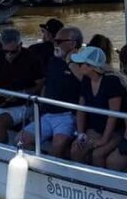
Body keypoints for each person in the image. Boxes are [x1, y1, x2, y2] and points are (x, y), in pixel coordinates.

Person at [17, 26, 83, 158]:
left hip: (68, 116)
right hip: (47, 115)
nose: (55, 44)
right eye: (54, 41)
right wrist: (40, 109)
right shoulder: (53, 61)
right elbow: (46, 86)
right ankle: (38, 167)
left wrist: (70, 62)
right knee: (20, 140)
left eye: (59, 41)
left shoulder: (83, 64)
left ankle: (51, 175)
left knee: (58, 146)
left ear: (73, 44)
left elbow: (85, 80)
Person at [69, 46, 126, 167]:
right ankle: (81, 182)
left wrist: (104, 140)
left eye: (80, 64)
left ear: (90, 66)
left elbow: (113, 115)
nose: (77, 66)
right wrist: (80, 134)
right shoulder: (86, 80)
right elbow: (81, 109)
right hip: (95, 128)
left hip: (117, 130)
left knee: (98, 154)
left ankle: (101, 185)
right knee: (76, 150)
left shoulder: (112, 82)